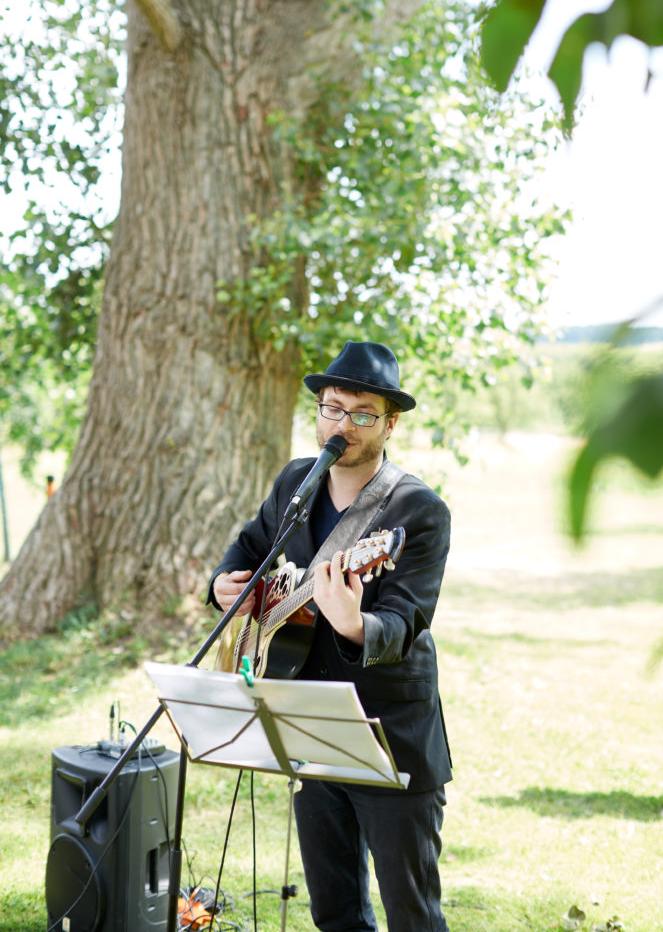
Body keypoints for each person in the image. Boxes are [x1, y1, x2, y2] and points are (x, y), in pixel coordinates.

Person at [207, 340, 452, 932]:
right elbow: (249, 546)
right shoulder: (298, 479)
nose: (342, 424)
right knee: (334, 910)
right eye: (331, 408)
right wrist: (222, 584)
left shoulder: (417, 509)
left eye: (361, 413)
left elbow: (406, 621)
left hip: (390, 734)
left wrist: (352, 621)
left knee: (412, 912)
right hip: (307, 724)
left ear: (390, 423)